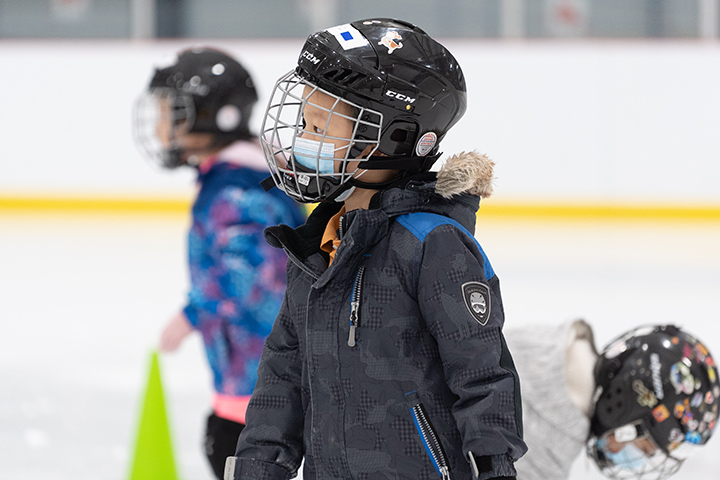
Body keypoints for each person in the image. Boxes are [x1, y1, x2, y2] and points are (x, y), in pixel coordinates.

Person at [224, 18, 527, 480]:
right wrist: (257, 468)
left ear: (394, 138)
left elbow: (482, 372)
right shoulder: (318, 243)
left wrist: (495, 466)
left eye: (321, 125)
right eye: (305, 122)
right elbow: (283, 375)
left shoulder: (432, 244)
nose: (305, 138)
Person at [133, 47, 306, 480]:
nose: (160, 126)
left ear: (215, 116)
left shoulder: (235, 195)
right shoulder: (240, 179)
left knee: (227, 449)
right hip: (255, 380)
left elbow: (256, 290)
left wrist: (196, 310)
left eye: (171, 112)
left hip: (257, 387)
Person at [504, 320, 719, 480]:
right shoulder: (545, 458)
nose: (622, 454)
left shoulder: (547, 340)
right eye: (643, 447)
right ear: (623, 405)